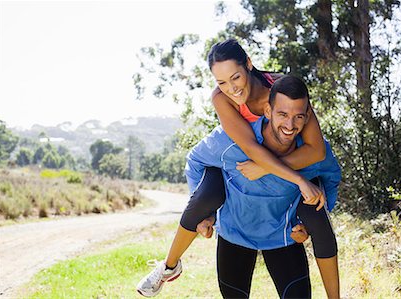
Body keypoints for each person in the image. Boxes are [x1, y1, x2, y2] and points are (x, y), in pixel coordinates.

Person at [137, 39, 340, 298]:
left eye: (235, 77)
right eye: (222, 82)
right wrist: (281, 174)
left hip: (273, 160)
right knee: (205, 196)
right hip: (234, 154)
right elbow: (250, 148)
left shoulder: (282, 92)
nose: (231, 88)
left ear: (249, 64)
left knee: (315, 207)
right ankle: (169, 266)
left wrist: (270, 171)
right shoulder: (221, 98)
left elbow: (316, 150)